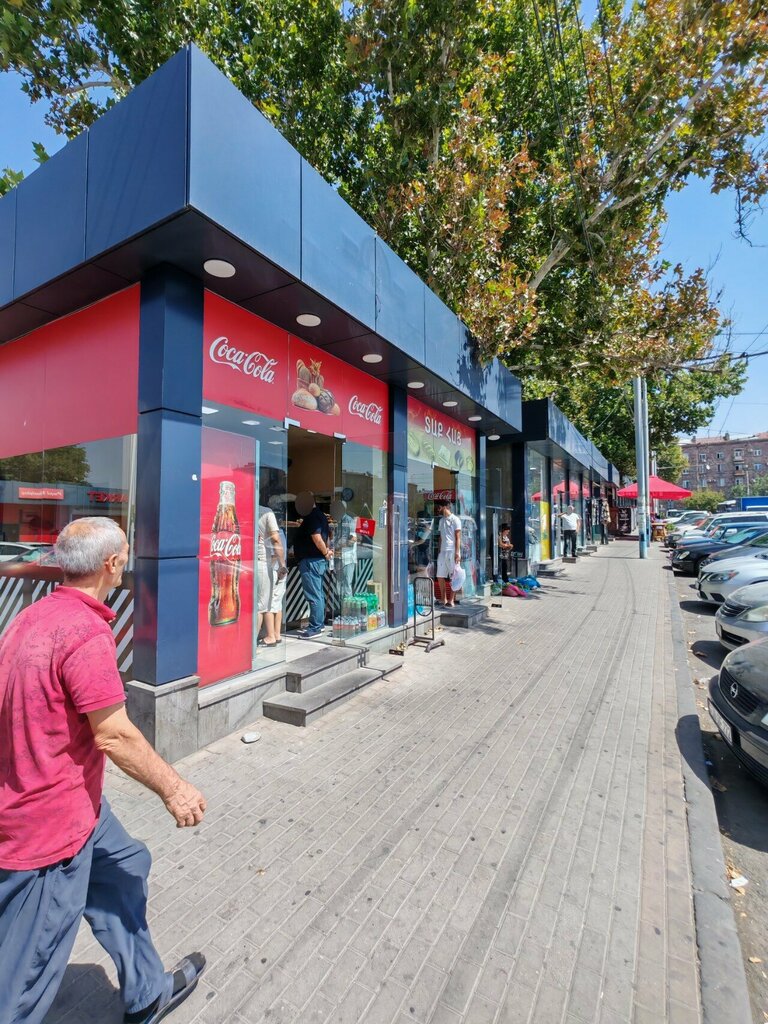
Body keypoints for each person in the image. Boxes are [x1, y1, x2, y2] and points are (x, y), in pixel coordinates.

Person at [0, 517, 207, 1024]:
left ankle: (146, 993)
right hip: (47, 828)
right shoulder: (86, 631)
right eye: (125, 558)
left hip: (81, 805)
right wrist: (174, 789)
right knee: (23, 979)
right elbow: (114, 734)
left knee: (124, 869)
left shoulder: (28, 616)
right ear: (113, 565)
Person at [294, 491, 332, 639]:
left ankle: (315, 627)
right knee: (318, 594)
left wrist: (324, 552)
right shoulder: (321, 515)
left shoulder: (311, 516)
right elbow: (326, 536)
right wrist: (326, 551)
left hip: (311, 561)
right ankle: (319, 624)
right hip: (317, 561)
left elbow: (317, 538)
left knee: (314, 595)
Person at [257, 503, 287, 647]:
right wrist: (282, 565)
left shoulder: (246, 508)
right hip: (263, 562)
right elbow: (275, 540)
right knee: (262, 606)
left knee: (260, 605)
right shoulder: (267, 513)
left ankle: (270, 635)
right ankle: (252, 646)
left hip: (248, 562)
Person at [435, 499, 462, 608]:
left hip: (452, 551)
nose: (438, 509)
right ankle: (443, 598)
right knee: (440, 575)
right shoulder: (441, 521)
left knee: (454, 576)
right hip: (443, 551)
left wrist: (457, 553)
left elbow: (458, 537)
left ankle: (451, 600)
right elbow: (441, 537)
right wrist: (439, 550)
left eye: (439, 507)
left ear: (445, 507)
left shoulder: (455, 519)